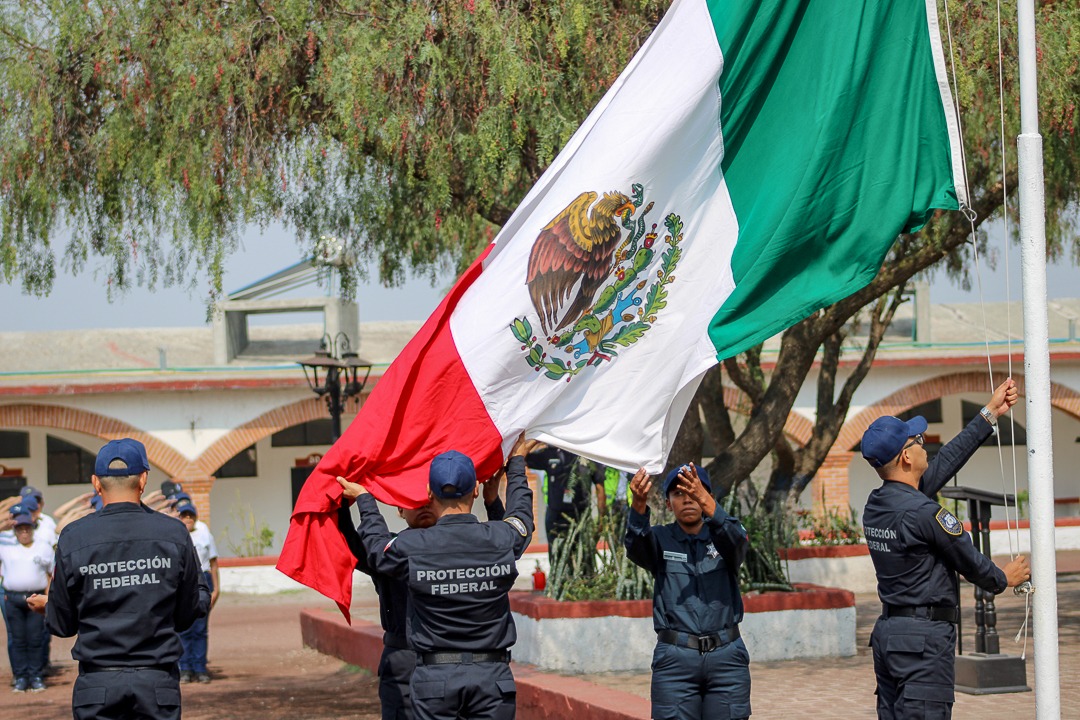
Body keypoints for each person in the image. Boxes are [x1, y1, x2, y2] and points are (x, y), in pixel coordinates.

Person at [861, 377, 1031, 719]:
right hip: (924, 641)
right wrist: (1003, 578)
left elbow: (943, 463)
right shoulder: (925, 513)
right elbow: (970, 563)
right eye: (919, 440)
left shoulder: (877, 503)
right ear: (907, 457)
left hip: (890, 634)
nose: (927, 446)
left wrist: (989, 414)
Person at [339, 435, 536, 720]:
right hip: (492, 677)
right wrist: (516, 464)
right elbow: (521, 517)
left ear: (430, 493)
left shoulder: (413, 546)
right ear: (477, 490)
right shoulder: (501, 538)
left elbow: (377, 548)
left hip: (435, 679)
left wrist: (365, 501)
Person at [26, 438, 210, 720]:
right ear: (144, 479)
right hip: (156, 684)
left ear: (96, 483)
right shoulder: (173, 533)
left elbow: (62, 625)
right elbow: (187, 614)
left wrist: (50, 607)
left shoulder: (75, 536)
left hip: (98, 687)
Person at [625, 462, 751, 720]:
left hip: (726, 660)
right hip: (675, 663)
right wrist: (638, 504)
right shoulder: (659, 539)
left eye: (695, 491)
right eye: (678, 493)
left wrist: (711, 508)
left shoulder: (724, 536)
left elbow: (739, 543)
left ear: (708, 498)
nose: (688, 499)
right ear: (669, 503)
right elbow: (636, 545)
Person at [0, 507, 54, 693]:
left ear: (33, 529)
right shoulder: (5, 544)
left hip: (35, 597)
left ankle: (36, 676)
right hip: (13, 598)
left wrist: (47, 596)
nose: (24, 532)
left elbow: (51, 574)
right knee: (17, 639)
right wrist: (2, 526)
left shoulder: (43, 547)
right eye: (20, 529)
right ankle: (21, 676)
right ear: (15, 531)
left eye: (28, 528)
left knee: (35, 638)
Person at [173, 496, 220, 685]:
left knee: (200, 629)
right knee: (183, 628)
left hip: (203, 580)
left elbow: (213, 563)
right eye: (183, 516)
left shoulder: (204, 534)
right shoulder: (175, 536)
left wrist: (216, 588)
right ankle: (185, 668)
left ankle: (200, 668)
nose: (187, 519)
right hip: (183, 582)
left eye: (190, 515)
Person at [525, 445, 604, 554]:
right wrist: (537, 440)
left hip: (580, 516)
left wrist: (601, 519)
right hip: (555, 516)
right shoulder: (552, 452)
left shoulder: (587, 453)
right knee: (556, 555)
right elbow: (523, 457)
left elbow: (600, 486)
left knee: (582, 556)